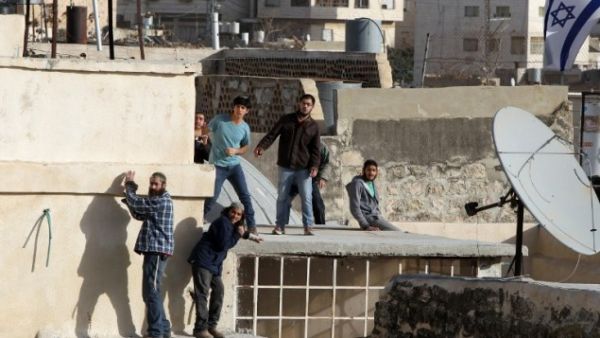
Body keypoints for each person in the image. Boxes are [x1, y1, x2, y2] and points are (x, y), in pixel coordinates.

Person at [188, 202, 262, 338]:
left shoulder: (232, 225)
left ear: (241, 216)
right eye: (233, 212)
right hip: (204, 260)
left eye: (239, 214)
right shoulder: (223, 222)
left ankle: (211, 326)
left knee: (219, 291)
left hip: (214, 264)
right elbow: (224, 244)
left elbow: (240, 232)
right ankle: (200, 329)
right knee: (202, 294)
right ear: (228, 211)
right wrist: (238, 235)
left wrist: (253, 237)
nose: (235, 216)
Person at [254, 94, 321, 235]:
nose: (305, 106)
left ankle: (308, 226)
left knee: (307, 197)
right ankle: (280, 226)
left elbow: (316, 149)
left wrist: (314, 166)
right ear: (299, 103)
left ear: (312, 107)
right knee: (282, 197)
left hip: (304, 169)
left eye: (308, 104)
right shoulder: (287, 120)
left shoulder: (314, 126)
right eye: (303, 103)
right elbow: (272, 134)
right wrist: (262, 146)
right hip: (285, 166)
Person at [122, 170, 174, 338]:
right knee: (152, 292)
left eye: (155, 184)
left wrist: (129, 187)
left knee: (151, 292)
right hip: (153, 250)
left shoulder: (162, 201)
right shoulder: (155, 201)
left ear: (163, 185)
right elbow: (139, 213)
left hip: (157, 251)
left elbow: (139, 205)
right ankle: (164, 329)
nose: (152, 186)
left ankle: (156, 332)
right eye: (151, 183)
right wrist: (130, 201)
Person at [203, 96, 257, 233]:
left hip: (234, 166)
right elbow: (203, 131)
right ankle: (199, 218)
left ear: (247, 111)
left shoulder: (245, 128)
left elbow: (246, 147)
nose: (239, 109)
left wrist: (236, 151)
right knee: (212, 196)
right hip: (218, 165)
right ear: (233, 107)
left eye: (243, 108)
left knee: (245, 195)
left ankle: (251, 226)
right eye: (237, 106)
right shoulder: (220, 120)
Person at [346, 160, 401, 231]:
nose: (371, 173)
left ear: (376, 172)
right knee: (397, 231)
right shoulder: (357, 184)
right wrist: (365, 226)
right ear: (364, 171)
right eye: (368, 170)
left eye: (373, 170)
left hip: (377, 217)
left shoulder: (371, 183)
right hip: (368, 219)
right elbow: (354, 208)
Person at [289, 141, 330, 224]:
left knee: (318, 206)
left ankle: (321, 228)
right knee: (284, 202)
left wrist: (323, 178)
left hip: (310, 180)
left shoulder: (322, 147)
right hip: (294, 179)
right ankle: (281, 226)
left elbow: (326, 163)